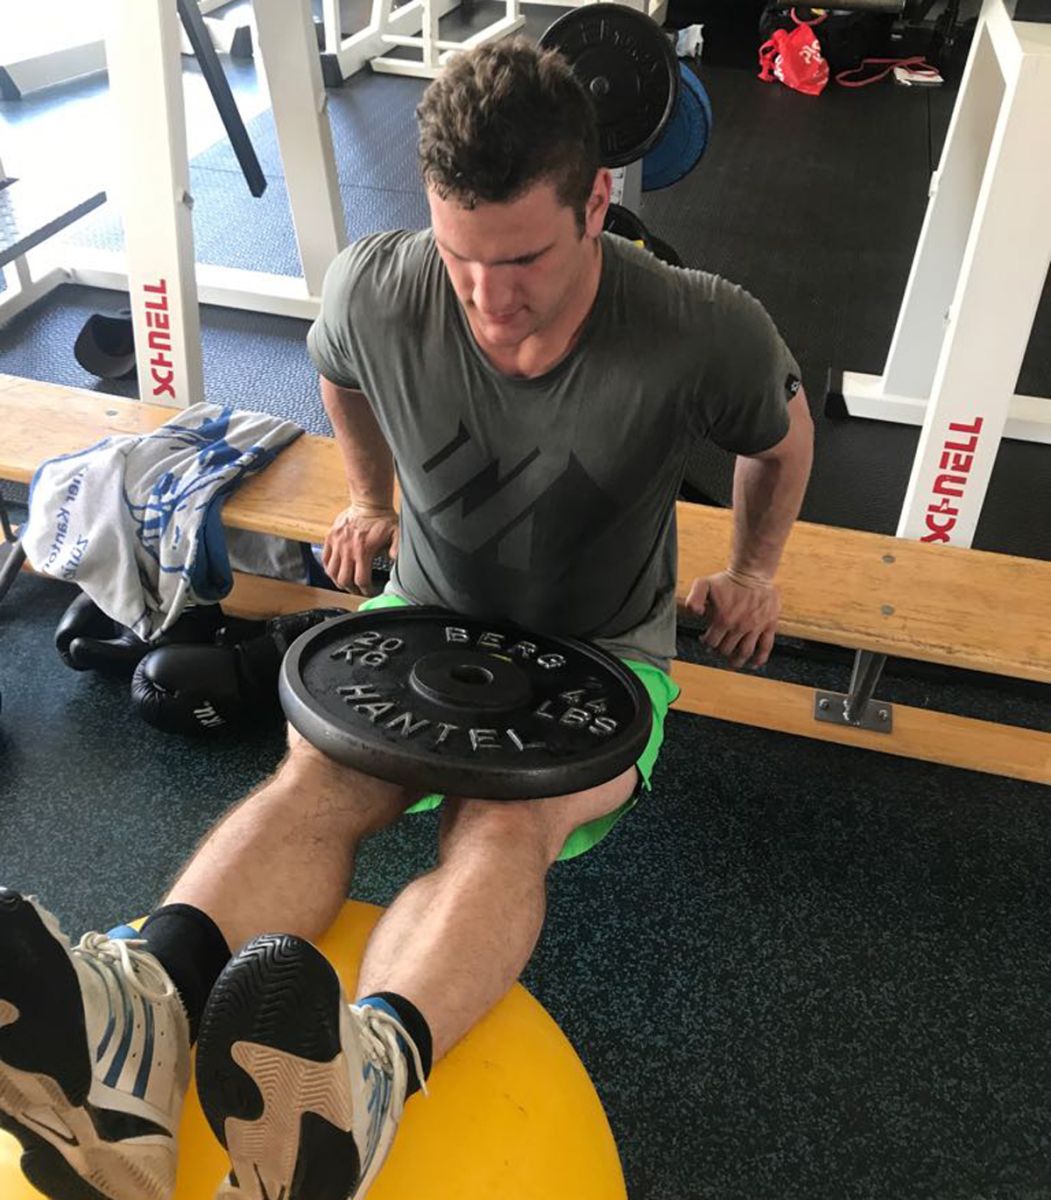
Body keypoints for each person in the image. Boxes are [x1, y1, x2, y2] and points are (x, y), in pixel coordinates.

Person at [0, 37, 813, 1200]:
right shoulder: (381, 285)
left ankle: (362, 1079)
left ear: (596, 204)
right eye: (461, 257)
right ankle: (138, 1032)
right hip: (425, 616)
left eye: (523, 258)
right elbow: (338, 367)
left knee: (504, 824)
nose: (489, 298)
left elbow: (781, 439)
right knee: (318, 779)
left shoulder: (699, 325)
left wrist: (755, 571)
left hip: (600, 657)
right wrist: (371, 498)